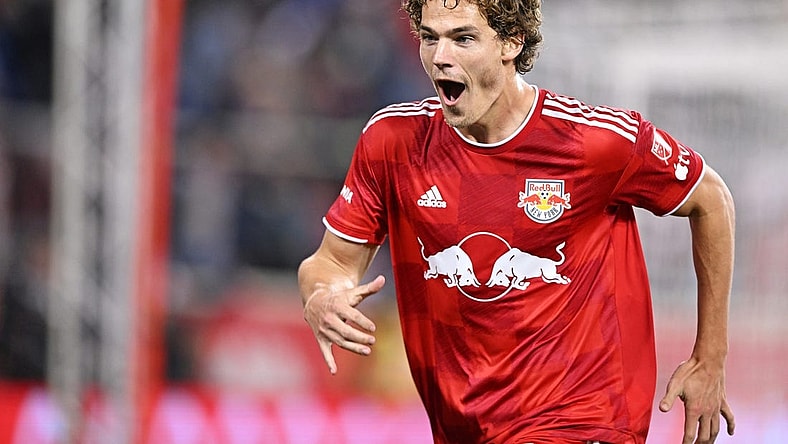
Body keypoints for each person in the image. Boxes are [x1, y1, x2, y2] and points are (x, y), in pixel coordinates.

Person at [298, 0, 736, 443]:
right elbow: (331, 262)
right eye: (430, 38)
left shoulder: (596, 142)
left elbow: (712, 199)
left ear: (511, 42)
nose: (440, 56)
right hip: (467, 426)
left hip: (585, 421)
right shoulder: (393, 143)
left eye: (463, 38)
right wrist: (322, 295)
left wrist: (710, 356)